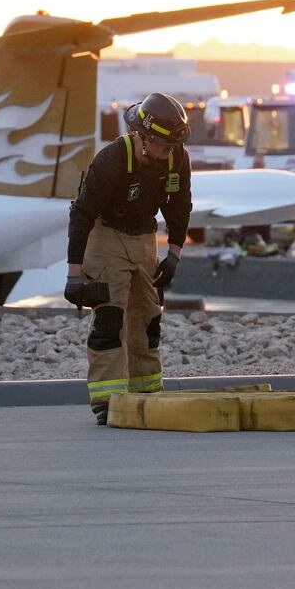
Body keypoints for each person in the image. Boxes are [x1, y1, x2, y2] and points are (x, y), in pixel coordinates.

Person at [66, 92, 194, 424]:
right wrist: (74, 275)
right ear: (143, 136)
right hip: (105, 236)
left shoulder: (175, 157)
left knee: (148, 317)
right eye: (164, 146)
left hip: (144, 237)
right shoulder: (111, 161)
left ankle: (147, 393)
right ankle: (108, 401)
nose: (170, 153)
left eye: (173, 147)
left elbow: (179, 206)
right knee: (110, 318)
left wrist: (175, 253)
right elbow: (81, 216)